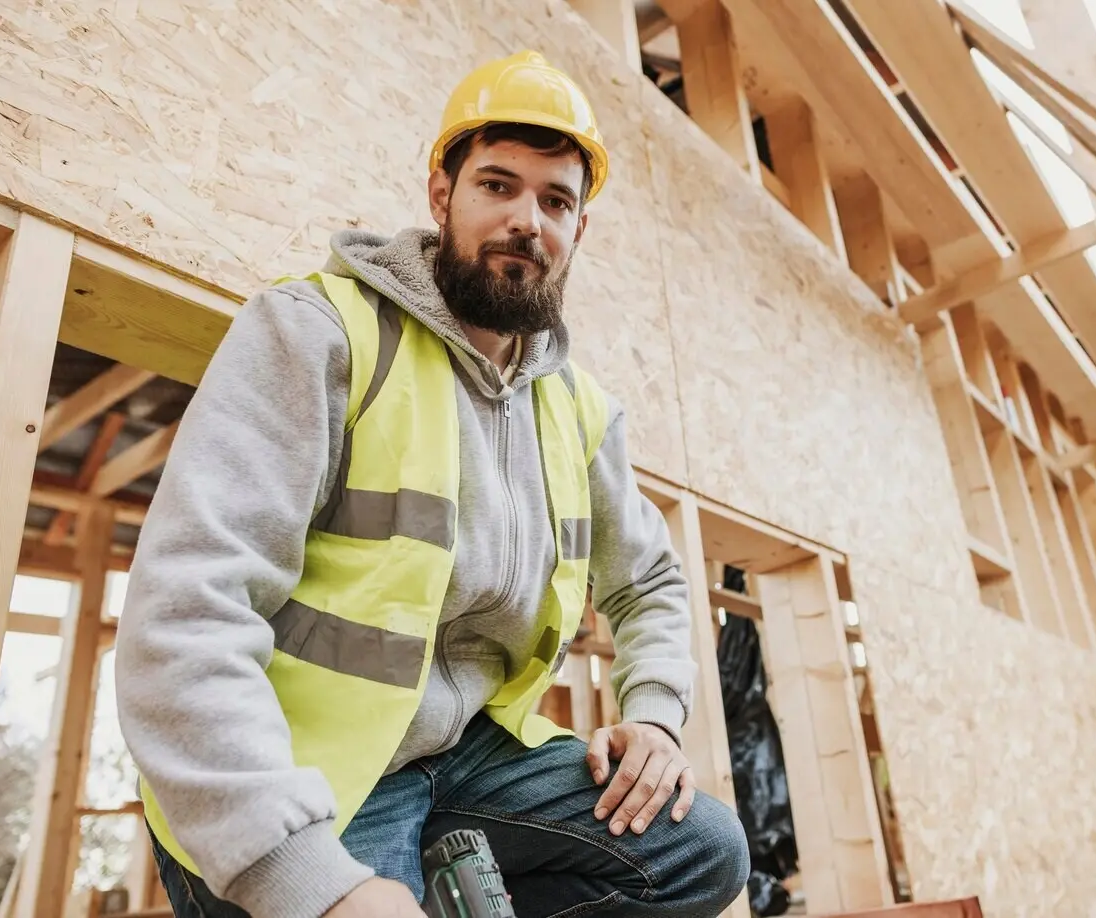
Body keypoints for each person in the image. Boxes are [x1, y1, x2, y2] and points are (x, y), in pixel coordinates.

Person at [114, 50, 750, 918]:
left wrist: (655, 716)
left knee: (699, 851)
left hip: (462, 758)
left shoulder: (578, 410)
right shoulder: (319, 336)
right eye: (498, 184)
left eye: (556, 200)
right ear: (441, 194)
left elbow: (652, 582)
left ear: (577, 231)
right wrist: (302, 878)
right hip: (305, 765)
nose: (529, 220)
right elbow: (185, 614)